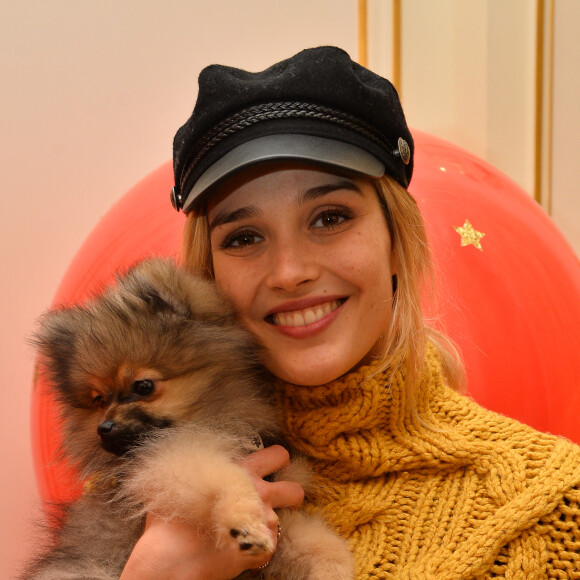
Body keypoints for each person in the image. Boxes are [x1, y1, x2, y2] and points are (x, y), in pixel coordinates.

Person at [121, 46, 580, 579]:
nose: (289, 272)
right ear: (208, 274)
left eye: (329, 217)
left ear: (395, 241)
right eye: (244, 237)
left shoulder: (551, 511)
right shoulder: (136, 486)